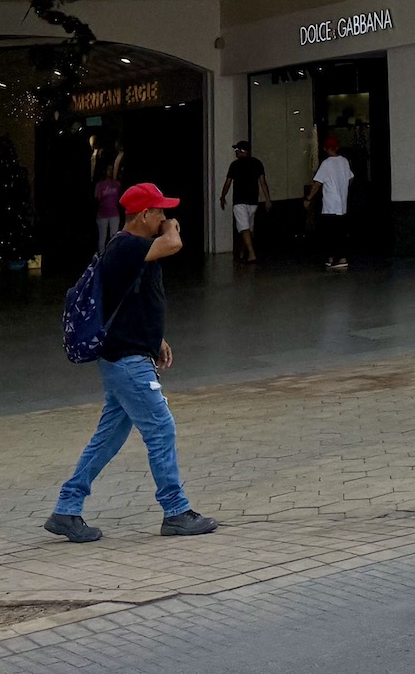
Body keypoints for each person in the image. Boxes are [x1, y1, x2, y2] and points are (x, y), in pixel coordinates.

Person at [45, 182, 218, 542]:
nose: (165, 218)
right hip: (128, 363)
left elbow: (135, 300)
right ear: (144, 215)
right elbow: (173, 243)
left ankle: (66, 508)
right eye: (160, 212)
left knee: (107, 439)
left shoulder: (133, 249)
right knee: (161, 428)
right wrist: (174, 229)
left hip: (126, 358)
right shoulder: (126, 247)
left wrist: (156, 338)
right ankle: (176, 511)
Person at [218, 139, 269, 265]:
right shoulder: (257, 163)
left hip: (239, 200)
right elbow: (262, 182)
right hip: (253, 201)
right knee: (247, 228)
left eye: (237, 150)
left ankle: (251, 254)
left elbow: (228, 183)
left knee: (244, 228)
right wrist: (267, 198)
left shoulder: (235, 165)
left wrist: (223, 196)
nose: (236, 153)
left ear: (242, 151)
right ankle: (242, 251)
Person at [306, 137, 353, 271]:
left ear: (325, 149)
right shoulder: (344, 161)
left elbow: (318, 183)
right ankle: (337, 258)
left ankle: (335, 259)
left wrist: (308, 198)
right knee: (341, 232)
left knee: (329, 233)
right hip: (342, 204)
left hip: (330, 205)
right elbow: (350, 178)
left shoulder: (326, 164)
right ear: (337, 147)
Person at [91, 152, 123, 256]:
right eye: (109, 169)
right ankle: (101, 257)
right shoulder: (100, 185)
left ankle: (112, 255)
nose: (111, 171)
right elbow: (97, 199)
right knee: (102, 237)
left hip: (114, 213)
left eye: (112, 169)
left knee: (114, 236)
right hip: (102, 214)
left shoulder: (117, 184)